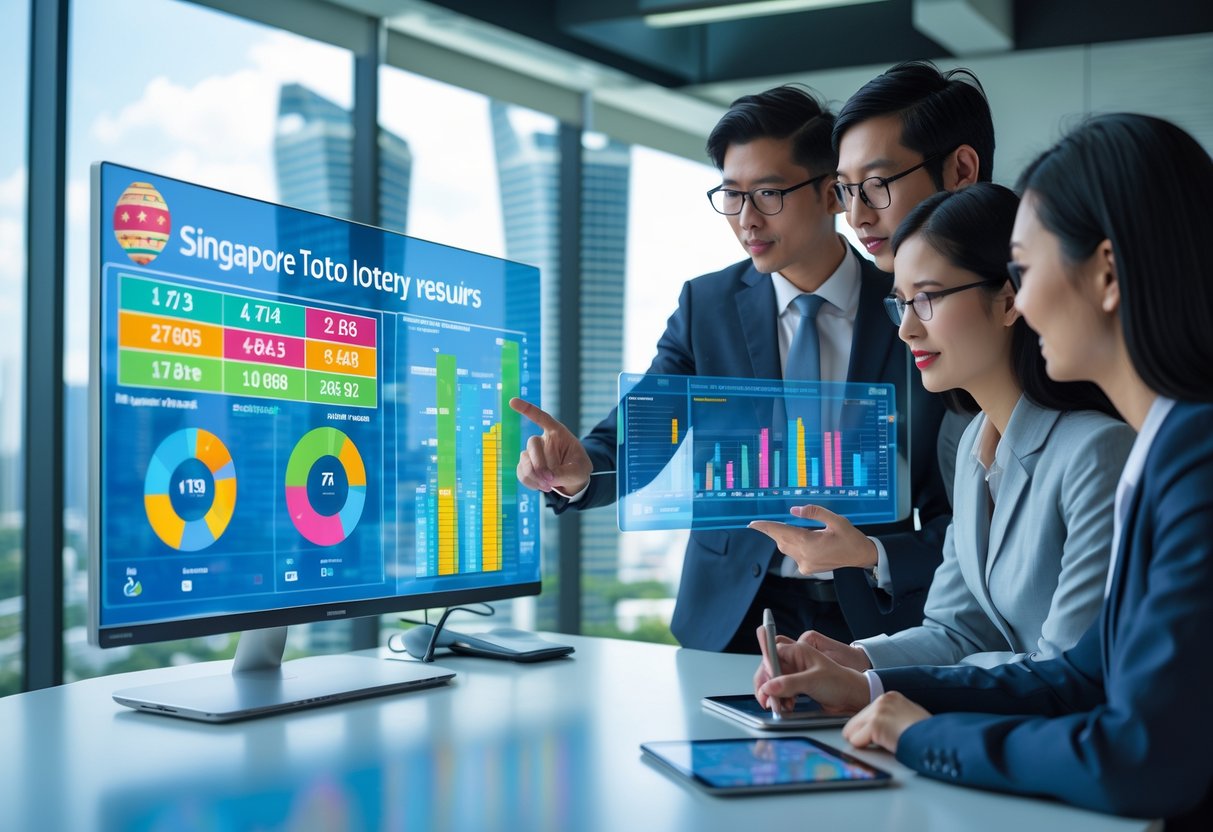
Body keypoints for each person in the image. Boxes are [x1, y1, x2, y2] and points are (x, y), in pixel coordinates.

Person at [754, 114, 1213, 828]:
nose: (1021, 300)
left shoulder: (1174, 458)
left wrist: (920, 732)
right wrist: (865, 680)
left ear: (1105, 273)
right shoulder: (1158, 451)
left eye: (1023, 270)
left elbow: (1136, 750)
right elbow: (1074, 676)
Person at [510, 83, 953, 652]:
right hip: (733, 615)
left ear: (831, 194)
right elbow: (640, 435)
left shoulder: (911, 305)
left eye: (768, 194)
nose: (746, 220)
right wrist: (579, 474)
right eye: (731, 195)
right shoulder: (707, 307)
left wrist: (883, 558)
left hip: (875, 614)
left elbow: (949, 505)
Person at [758, 183, 1133, 675]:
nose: (906, 329)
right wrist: (855, 661)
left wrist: (870, 688)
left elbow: (1066, 674)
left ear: (1008, 300)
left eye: (927, 298)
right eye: (901, 303)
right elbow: (956, 632)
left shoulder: (1096, 452)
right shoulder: (975, 443)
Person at [745, 61, 1000, 633]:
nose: (856, 215)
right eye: (846, 189)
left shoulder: (1057, 400)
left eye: (879, 184)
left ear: (961, 169)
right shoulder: (969, 424)